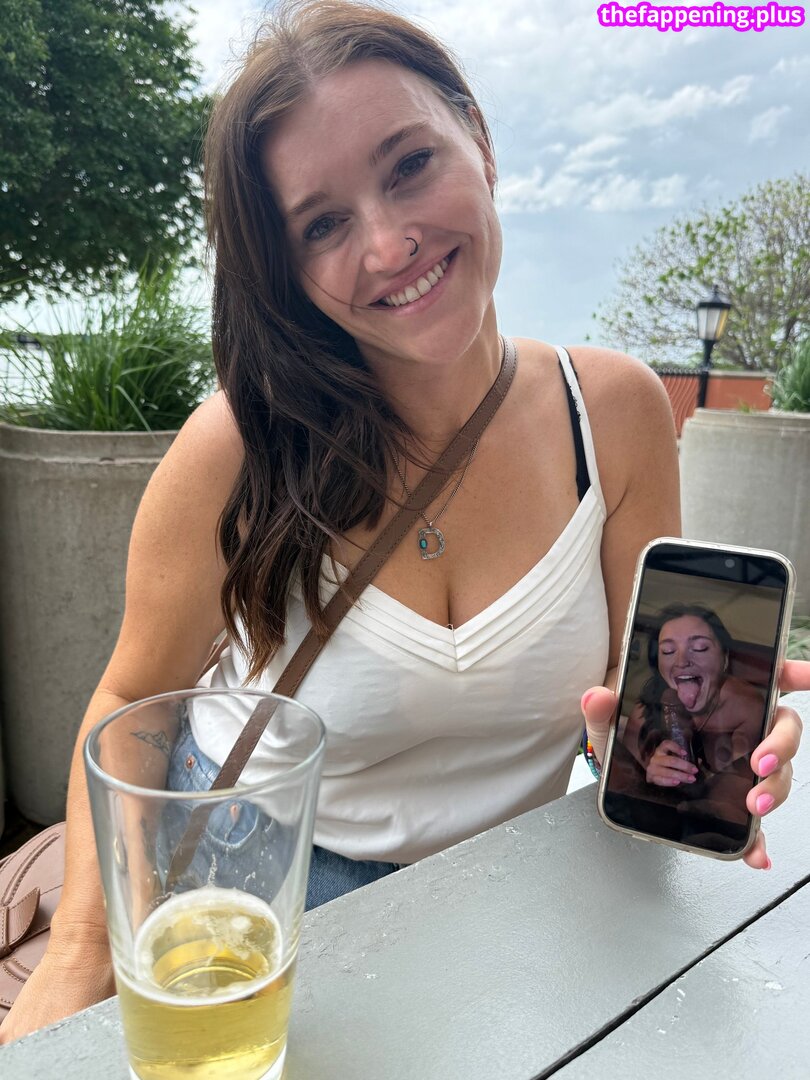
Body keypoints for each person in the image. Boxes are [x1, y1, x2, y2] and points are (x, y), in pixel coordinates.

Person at [2, 0, 805, 1044]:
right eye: (322, 225)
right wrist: (81, 955)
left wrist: (699, 731)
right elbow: (131, 696)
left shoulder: (615, 414)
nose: (389, 244)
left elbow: (628, 696)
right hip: (256, 884)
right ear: (286, 268)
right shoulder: (236, 446)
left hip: (510, 892)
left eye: (411, 164)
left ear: (481, 139)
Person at [619, 605, 771, 823]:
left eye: (700, 648)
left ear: (725, 658)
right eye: (668, 651)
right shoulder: (645, 710)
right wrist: (651, 775)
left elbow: (735, 795)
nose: (681, 661)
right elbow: (627, 783)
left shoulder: (746, 707)